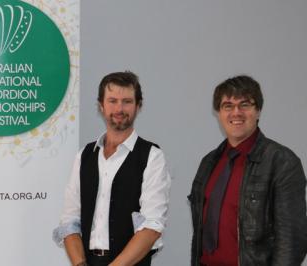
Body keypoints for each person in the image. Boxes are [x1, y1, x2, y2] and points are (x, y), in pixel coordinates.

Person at [53, 71, 171, 266]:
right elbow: (69, 221)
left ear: (138, 106)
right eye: (112, 100)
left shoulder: (152, 156)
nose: (119, 108)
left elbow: (152, 226)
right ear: (101, 105)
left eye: (127, 101)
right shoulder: (84, 156)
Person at [188, 75, 307, 265]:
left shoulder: (281, 162)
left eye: (245, 105)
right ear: (218, 113)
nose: (236, 113)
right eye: (228, 106)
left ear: (258, 111)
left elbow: (291, 242)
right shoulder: (209, 162)